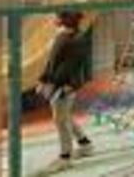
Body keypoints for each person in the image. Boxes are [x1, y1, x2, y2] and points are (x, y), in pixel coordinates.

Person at [37, 12, 94, 173]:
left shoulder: (66, 39)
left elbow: (57, 64)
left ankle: (65, 157)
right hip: (65, 84)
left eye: (56, 17)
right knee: (64, 116)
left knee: (61, 121)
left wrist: (46, 81)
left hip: (62, 86)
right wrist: (45, 80)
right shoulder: (75, 36)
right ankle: (85, 144)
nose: (53, 19)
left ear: (63, 20)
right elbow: (61, 63)